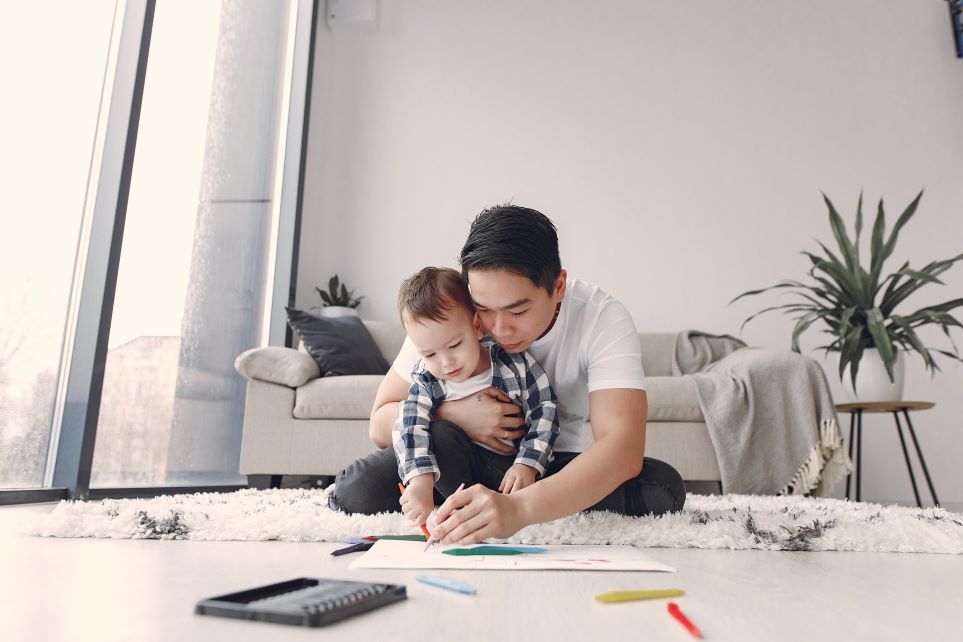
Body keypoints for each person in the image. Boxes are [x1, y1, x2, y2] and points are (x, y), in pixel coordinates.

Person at [330, 204, 686, 544]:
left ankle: (488, 506)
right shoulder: (450, 312)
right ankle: (467, 503)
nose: (498, 329)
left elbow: (622, 449)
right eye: (484, 309)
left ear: (558, 286)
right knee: (356, 489)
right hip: (451, 452)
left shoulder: (601, 318)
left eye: (518, 311)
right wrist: (456, 414)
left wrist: (519, 510)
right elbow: (379, 425)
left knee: (662, 488)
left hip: (537, 466)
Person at [391, 267, 559, 530]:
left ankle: (483, 508)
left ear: (477, 326)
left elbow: (545, 411)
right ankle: (462, 507)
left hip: (507, 471)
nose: (446, 363)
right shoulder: (427, 379)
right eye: (429, 355)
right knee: (438, 434)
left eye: (455, 345)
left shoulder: (513, 364)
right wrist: (419, 481)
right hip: (453, 471)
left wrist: (527, 465)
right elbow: (409, 425)